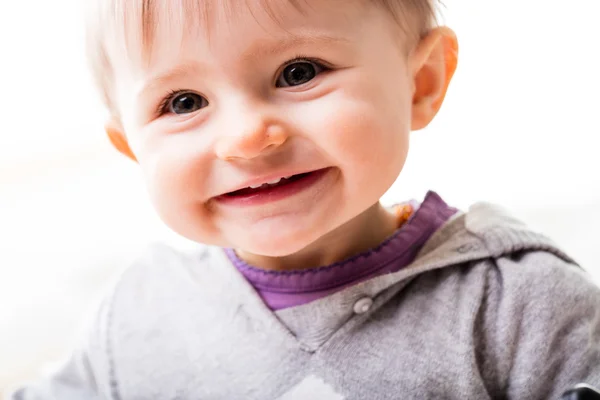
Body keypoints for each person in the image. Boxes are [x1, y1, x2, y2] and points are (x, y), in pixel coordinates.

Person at [10, 0, 600, 398]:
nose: (245, 137)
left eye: (298, 72)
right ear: (131, 147)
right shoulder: (134, 316)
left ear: (420, 84)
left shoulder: (516, 304)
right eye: (184, 103)